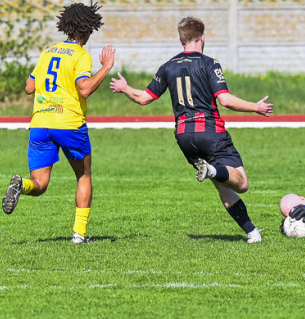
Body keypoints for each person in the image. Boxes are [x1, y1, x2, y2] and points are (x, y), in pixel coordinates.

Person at [109, 16, 272, 243]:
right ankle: (214, 171)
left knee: (223, 186)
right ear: (202, 38)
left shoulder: (167, 67)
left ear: (181, 40)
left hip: (185, 137)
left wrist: (125, 88)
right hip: (210, 131)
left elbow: (144, 98)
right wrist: (256, 107)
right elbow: (225, 100)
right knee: (241, 183)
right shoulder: (209, 63)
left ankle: (252, 233)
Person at [2, 2, 116, 244]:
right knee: (83, 175)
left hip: (40, 123)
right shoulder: (81, 56)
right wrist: (106, 67)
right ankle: (79, 235)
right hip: (68, 123)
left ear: (66, 27)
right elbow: (84, 89)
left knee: (40, 184)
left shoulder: (48, 52)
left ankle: (20, 184)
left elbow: (29, 87)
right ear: (86, 30)